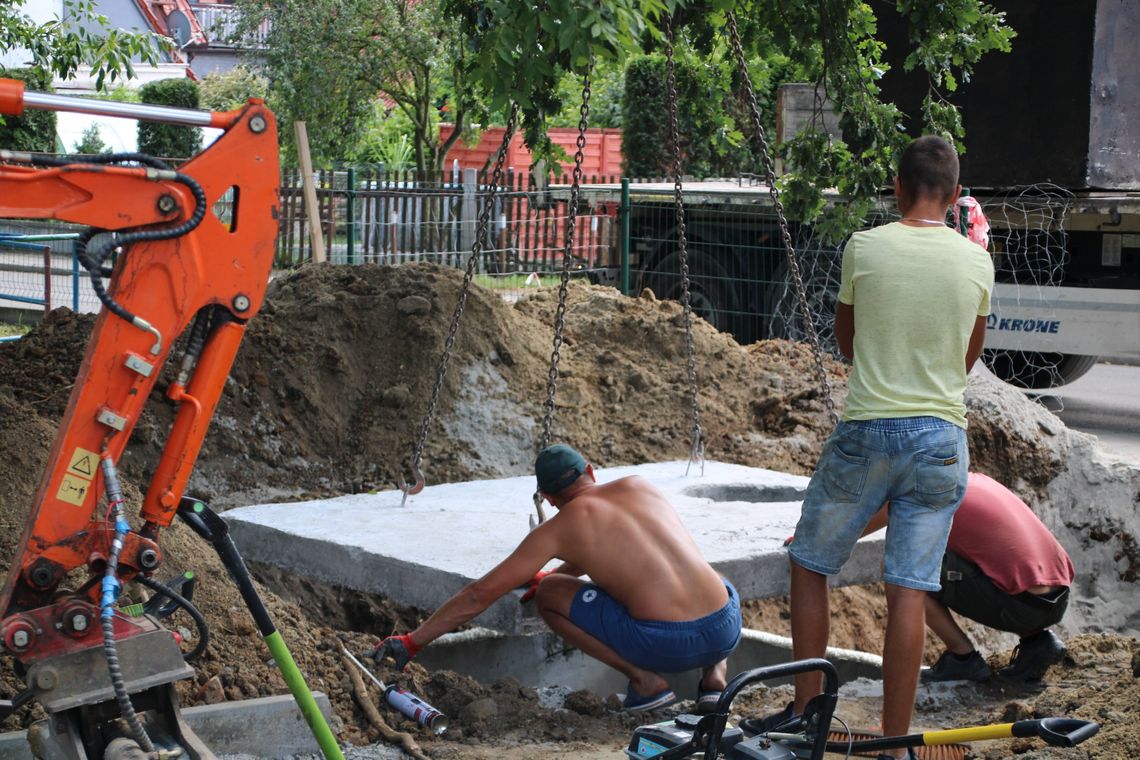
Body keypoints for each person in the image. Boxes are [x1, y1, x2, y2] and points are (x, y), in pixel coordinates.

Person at [746, 135, 995, 760]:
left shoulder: (865, 246)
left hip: (869, 429)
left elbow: (848, 340)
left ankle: (807, 709)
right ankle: (895, 742)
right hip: (942, 438)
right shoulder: (976, 262)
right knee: (908, 589)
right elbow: (967, 356)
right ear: (956, 195)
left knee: (809, 563)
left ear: (897, 188)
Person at [369, 443, 742, 712]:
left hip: (665, 645)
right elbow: (614, 550)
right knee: (711, 576)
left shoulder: (559, 528)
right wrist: (563, 570)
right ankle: (713, 679)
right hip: (725, 629)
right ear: (591, 471)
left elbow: (478, 595)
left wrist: (412, 642)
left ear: (546, 498)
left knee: (548, 593)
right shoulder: (640, 486)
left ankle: (647, 682)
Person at [859, 472, 1073, 683]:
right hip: (1057, 598)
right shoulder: (969, 478)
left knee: (897, 567)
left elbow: (853, 531)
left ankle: (962, 659)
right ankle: (1038, 643)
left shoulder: (918, 493)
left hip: (1021, 608)